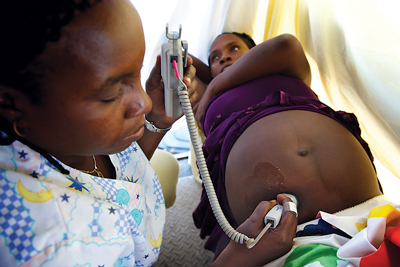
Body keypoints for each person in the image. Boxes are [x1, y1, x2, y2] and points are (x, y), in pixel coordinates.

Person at [0, 0, 201, 265]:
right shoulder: (57, 250)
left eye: (137, 74)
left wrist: (157, 121)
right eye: (111, 93)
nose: (145, 102)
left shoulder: (70, 137)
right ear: (13, 106)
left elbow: (121, 176)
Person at [191, 32, 400, 266]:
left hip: (369, 212)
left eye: (234, 49)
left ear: (254, 51)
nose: (224, 58)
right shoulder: (205, 99)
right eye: (214, 57)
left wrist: (216, 82)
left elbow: (286, 44)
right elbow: (174, 58)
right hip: (278, 235)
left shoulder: (284, 68)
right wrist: (212, 83)